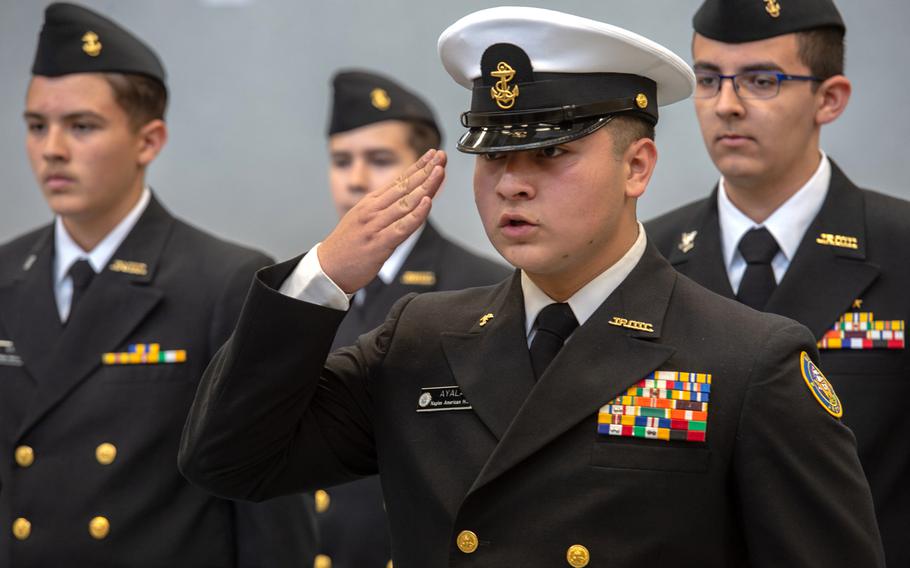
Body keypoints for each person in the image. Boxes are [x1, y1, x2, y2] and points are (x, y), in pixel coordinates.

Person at [180, 7, 883, 567]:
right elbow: (229, 460)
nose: (513, 181)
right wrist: (321, 280)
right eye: (495, 153)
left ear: (637, 167)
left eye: (550, 152)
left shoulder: (746, 360)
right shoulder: (423, 338)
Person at [0, 3, 316, 566]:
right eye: (36, 126)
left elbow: (264, 507)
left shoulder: (222, 281)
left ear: (148, 141)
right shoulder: (4, 274)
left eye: (81, 126)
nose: (51, 148)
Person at [644, 1, 909, 563]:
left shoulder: (902, 248)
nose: (726, 106)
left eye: (761, 80)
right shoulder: (648, 259)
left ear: (829, 99)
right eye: (709, 79)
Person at [313, 69, 509, 568]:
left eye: (379, 161)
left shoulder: (480, 286)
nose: (356, 179)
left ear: (429, 176)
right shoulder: (313, 285)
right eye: (341, 161)